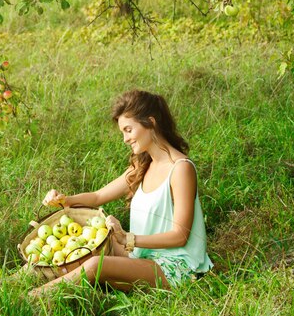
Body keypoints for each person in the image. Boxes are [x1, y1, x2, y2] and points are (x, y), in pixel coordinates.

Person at [30, 89, 213, 296]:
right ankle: (18, 278)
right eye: (123, 132)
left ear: (150, 122)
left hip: (175, 267)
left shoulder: (180, 169)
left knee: (95, 265)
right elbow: (98, 196)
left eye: (128, 129)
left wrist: (129, 239)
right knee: (83, 245)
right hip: (141, 255)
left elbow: (180, 236)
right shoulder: (143, 164)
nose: (125, 139)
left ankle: (33, 298)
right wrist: (64, 199)